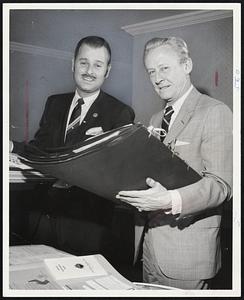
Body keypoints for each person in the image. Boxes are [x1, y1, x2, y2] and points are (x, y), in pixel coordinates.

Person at [116, 37, 232, 289]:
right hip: (149, 248)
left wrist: (169, 200)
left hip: (187, 255)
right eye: (151, 71)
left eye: (164, 68)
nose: (157, 78)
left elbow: (221, 185)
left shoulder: (215, 111)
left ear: (187, 65)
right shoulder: (156, 119)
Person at [10, 36, 135, 260]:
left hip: (86, 228)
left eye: (98, 65)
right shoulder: (54, 103)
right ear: (73, 64)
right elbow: (40, 151)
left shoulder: (120, 113)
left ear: (107, 70)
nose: (89, 70)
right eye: (83, 62)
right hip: (43, 219)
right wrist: (10, 146)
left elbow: (120, 175)